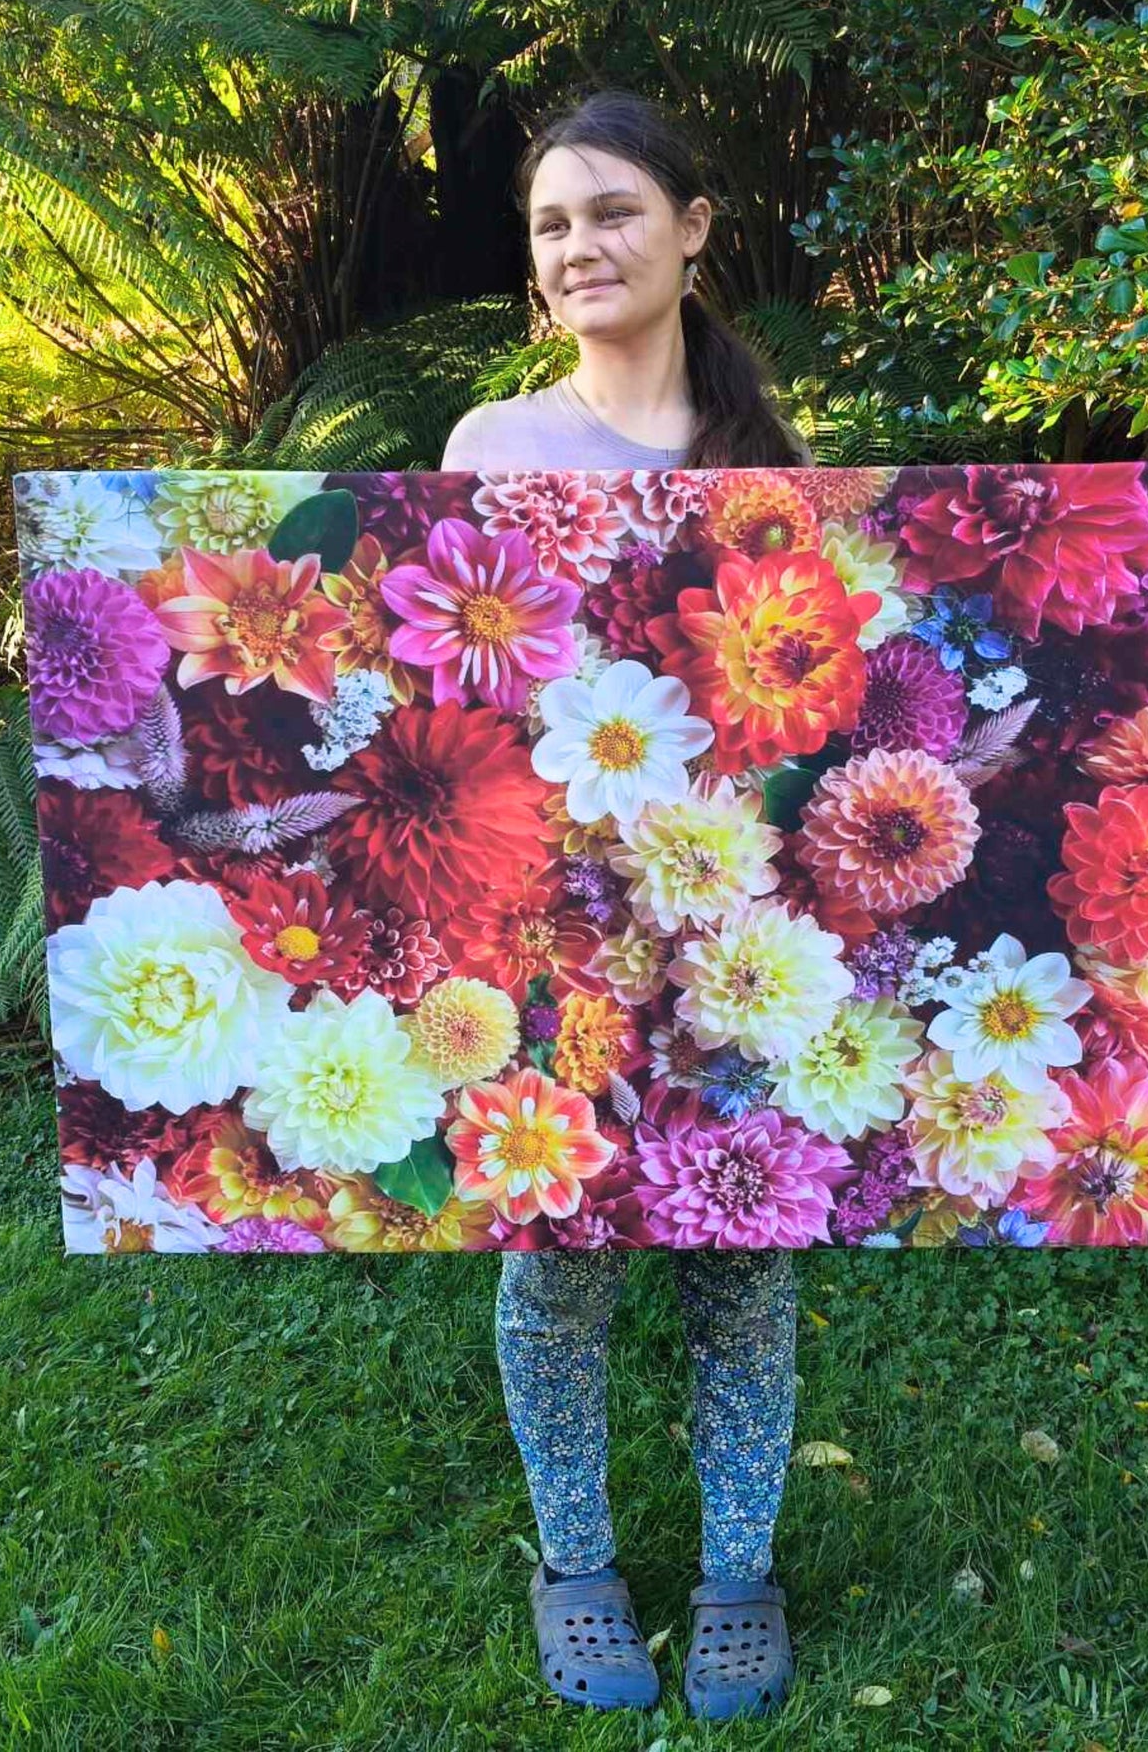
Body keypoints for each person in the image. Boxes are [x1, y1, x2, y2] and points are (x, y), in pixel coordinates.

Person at [441, 87, 812, 1721]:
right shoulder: (491, 449)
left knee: (744, 1249)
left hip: (738, 923)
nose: (580, 245)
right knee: (558, 1252)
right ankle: (573, 1560)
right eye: (551, 223)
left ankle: (741, 1571)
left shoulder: (775, 456)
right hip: (547, 916)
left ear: (691, 229)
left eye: (611, 211)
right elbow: (448, 695)